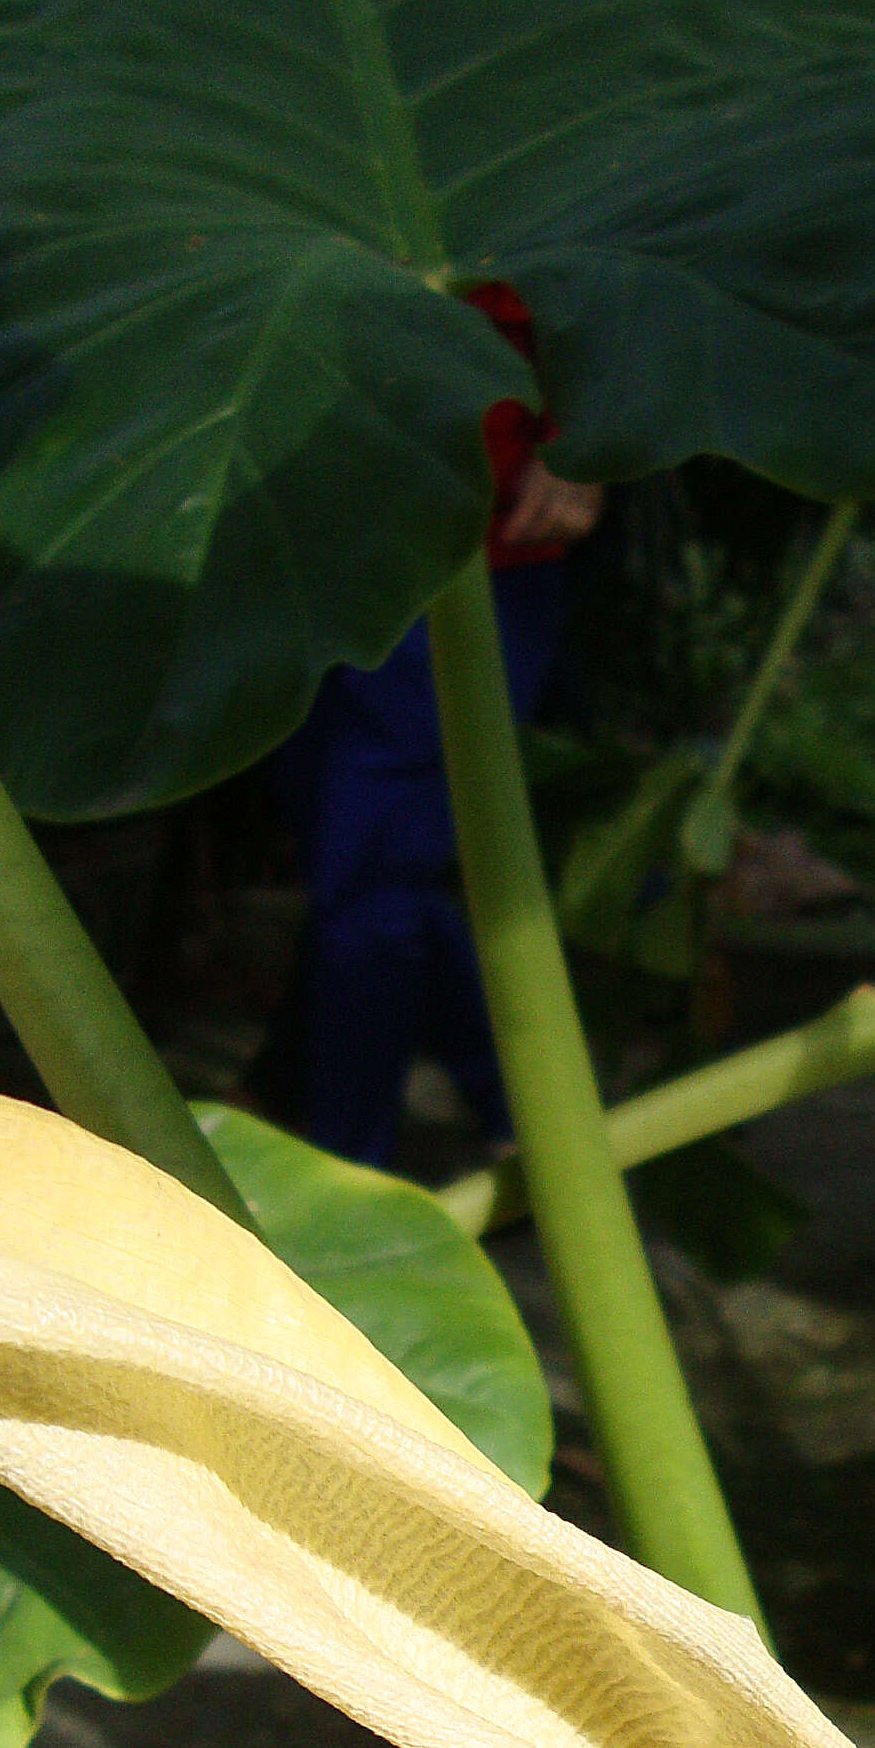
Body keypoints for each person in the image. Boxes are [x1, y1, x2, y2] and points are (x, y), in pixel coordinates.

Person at [252, 285, 600, 1168]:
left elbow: (625, 278)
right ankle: (528, 1112)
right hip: (300, 531)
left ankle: (341, 1171)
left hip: (470, 556)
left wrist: (589, 441)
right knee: (353, 867)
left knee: (372, 885)